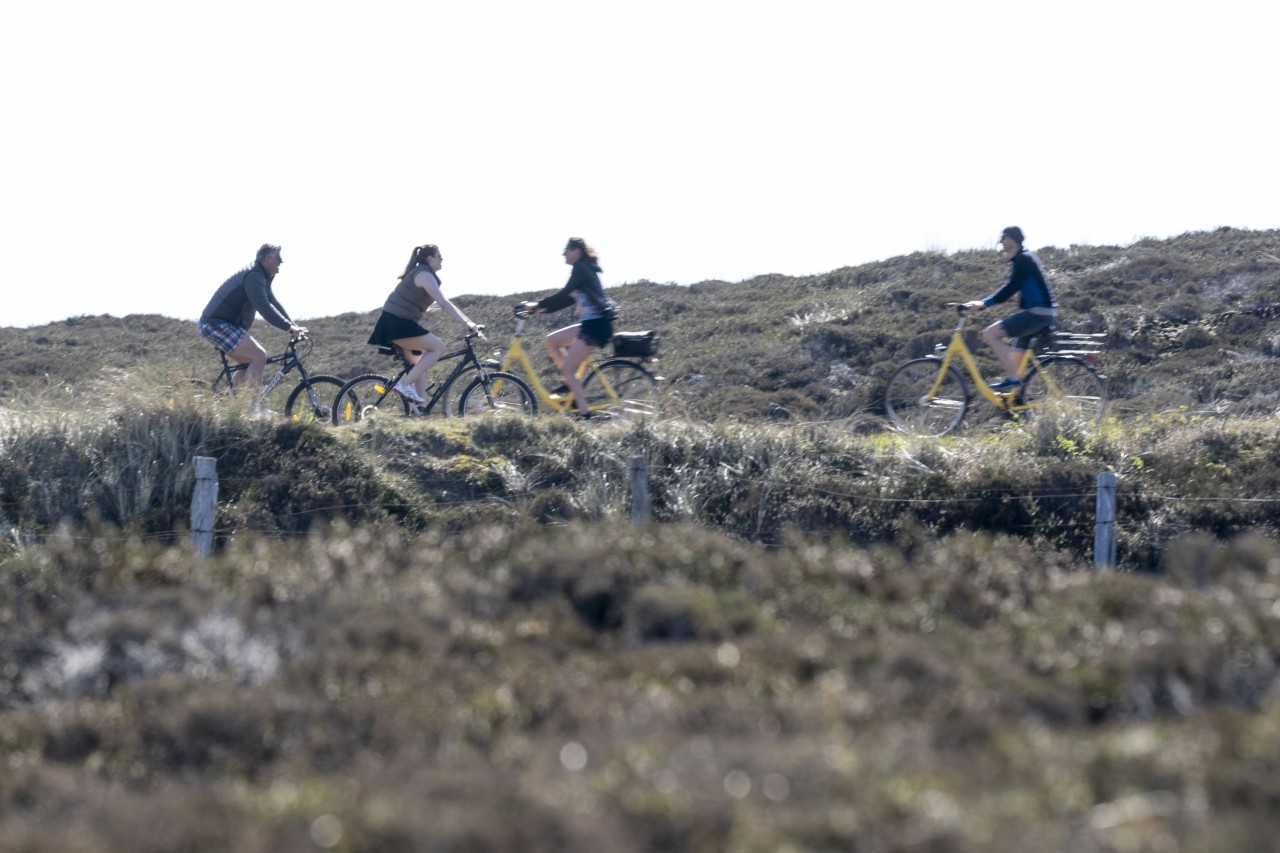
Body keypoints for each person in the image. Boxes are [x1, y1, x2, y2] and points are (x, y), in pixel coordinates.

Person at [366, 243, 480, 404]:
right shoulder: (424, 275)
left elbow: (447, 303)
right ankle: (404, 385)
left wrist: (469, 322)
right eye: (439, 256)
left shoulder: (424, 273)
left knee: (420, 369)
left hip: (396, 322)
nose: (442, 259)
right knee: (438, 347)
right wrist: (467, 323)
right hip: (397, 323)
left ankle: (421, 413)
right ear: (430, 258)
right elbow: (444, 304)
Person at [520, 237, 618, 418]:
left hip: (596, 326)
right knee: (551, 341)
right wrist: (540, 309)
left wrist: (538, 305)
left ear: (576, 251)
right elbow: (565, 300)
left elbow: (564, 293)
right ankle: (570, 384)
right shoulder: (583, 269)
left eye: (567, 249)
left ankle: (584, 414)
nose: (563, 253)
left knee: (567, 369)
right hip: (590, 324)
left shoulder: (580, 268)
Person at [198, 244, 307, 391]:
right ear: (267, 260)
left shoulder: (262, 276)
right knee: (258, 357)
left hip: (223, 325)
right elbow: (264, 308)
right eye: (279, 258)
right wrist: (289, 327)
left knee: (250, 362)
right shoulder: (254, 276)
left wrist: (293, 326)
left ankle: (232, 404)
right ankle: (253, 407)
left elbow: (272, 302)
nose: (282, 262)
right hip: (217, 325)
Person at [963, 226, 1057, 391]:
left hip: (1037, 314)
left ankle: (1014, 379)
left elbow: (1010, 288)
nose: (1001, 242)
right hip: (1040, 313)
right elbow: (1011, 287)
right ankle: (1017, 400)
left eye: (1004, 238)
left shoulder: (1024, 259)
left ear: (1013, 240)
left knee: (991, 334)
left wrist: (983, 304)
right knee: (1014, 358)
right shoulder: (1023, 259)